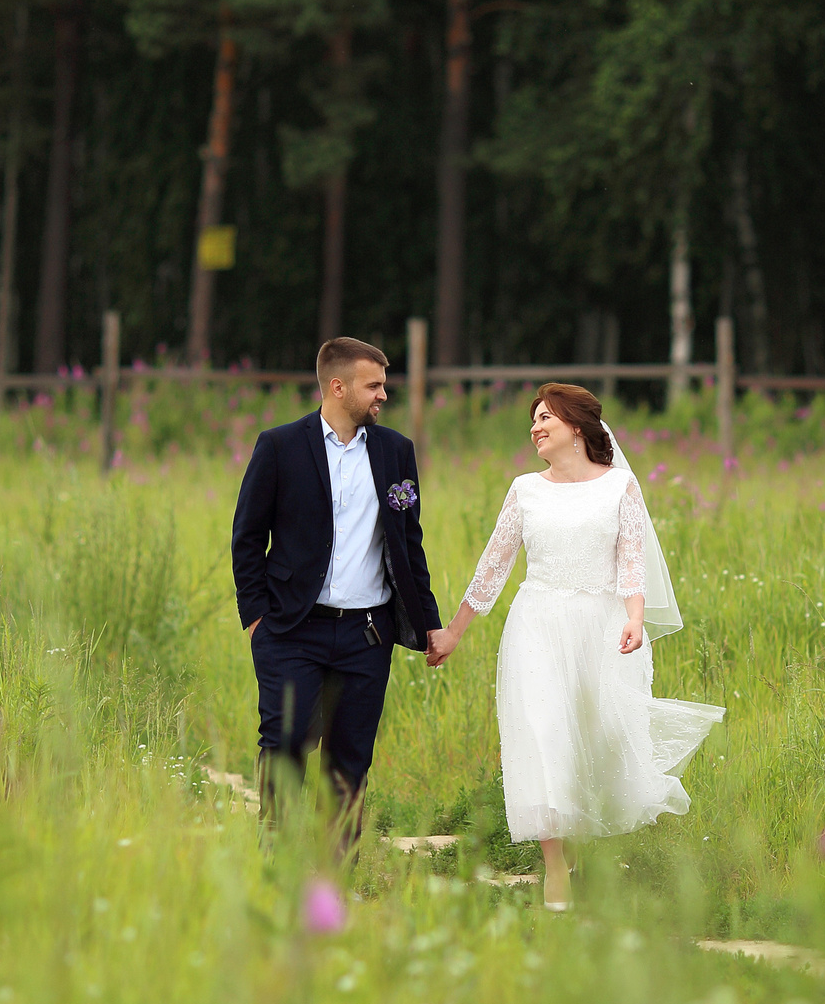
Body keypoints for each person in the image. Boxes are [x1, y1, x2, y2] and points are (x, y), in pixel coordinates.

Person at [428, 383, 723, 910]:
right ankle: (555, 866)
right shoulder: (524, 490)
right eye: (534, 420)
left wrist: (635, 617)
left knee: (601, 731)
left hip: (602, 625)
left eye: (547, 418)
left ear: (578, 429)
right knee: (545, 735)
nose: (536, 427)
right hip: (538, 624)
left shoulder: (620, 488)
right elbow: (493, 567)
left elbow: (632, 561)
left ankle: (586, 837)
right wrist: (454, 630)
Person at [231, 336, 449, 843]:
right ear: (337, 386)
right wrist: (256, 616)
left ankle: (336, 883)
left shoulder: (396, 452)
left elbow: (408, 544)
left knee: (349, 761)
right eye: (373, 386)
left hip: (366, 637)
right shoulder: (279, 446)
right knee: (284, 743)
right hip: (290, 629)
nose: (382, 396)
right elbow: (246, 537)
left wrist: (429, 622)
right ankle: (276, 862)